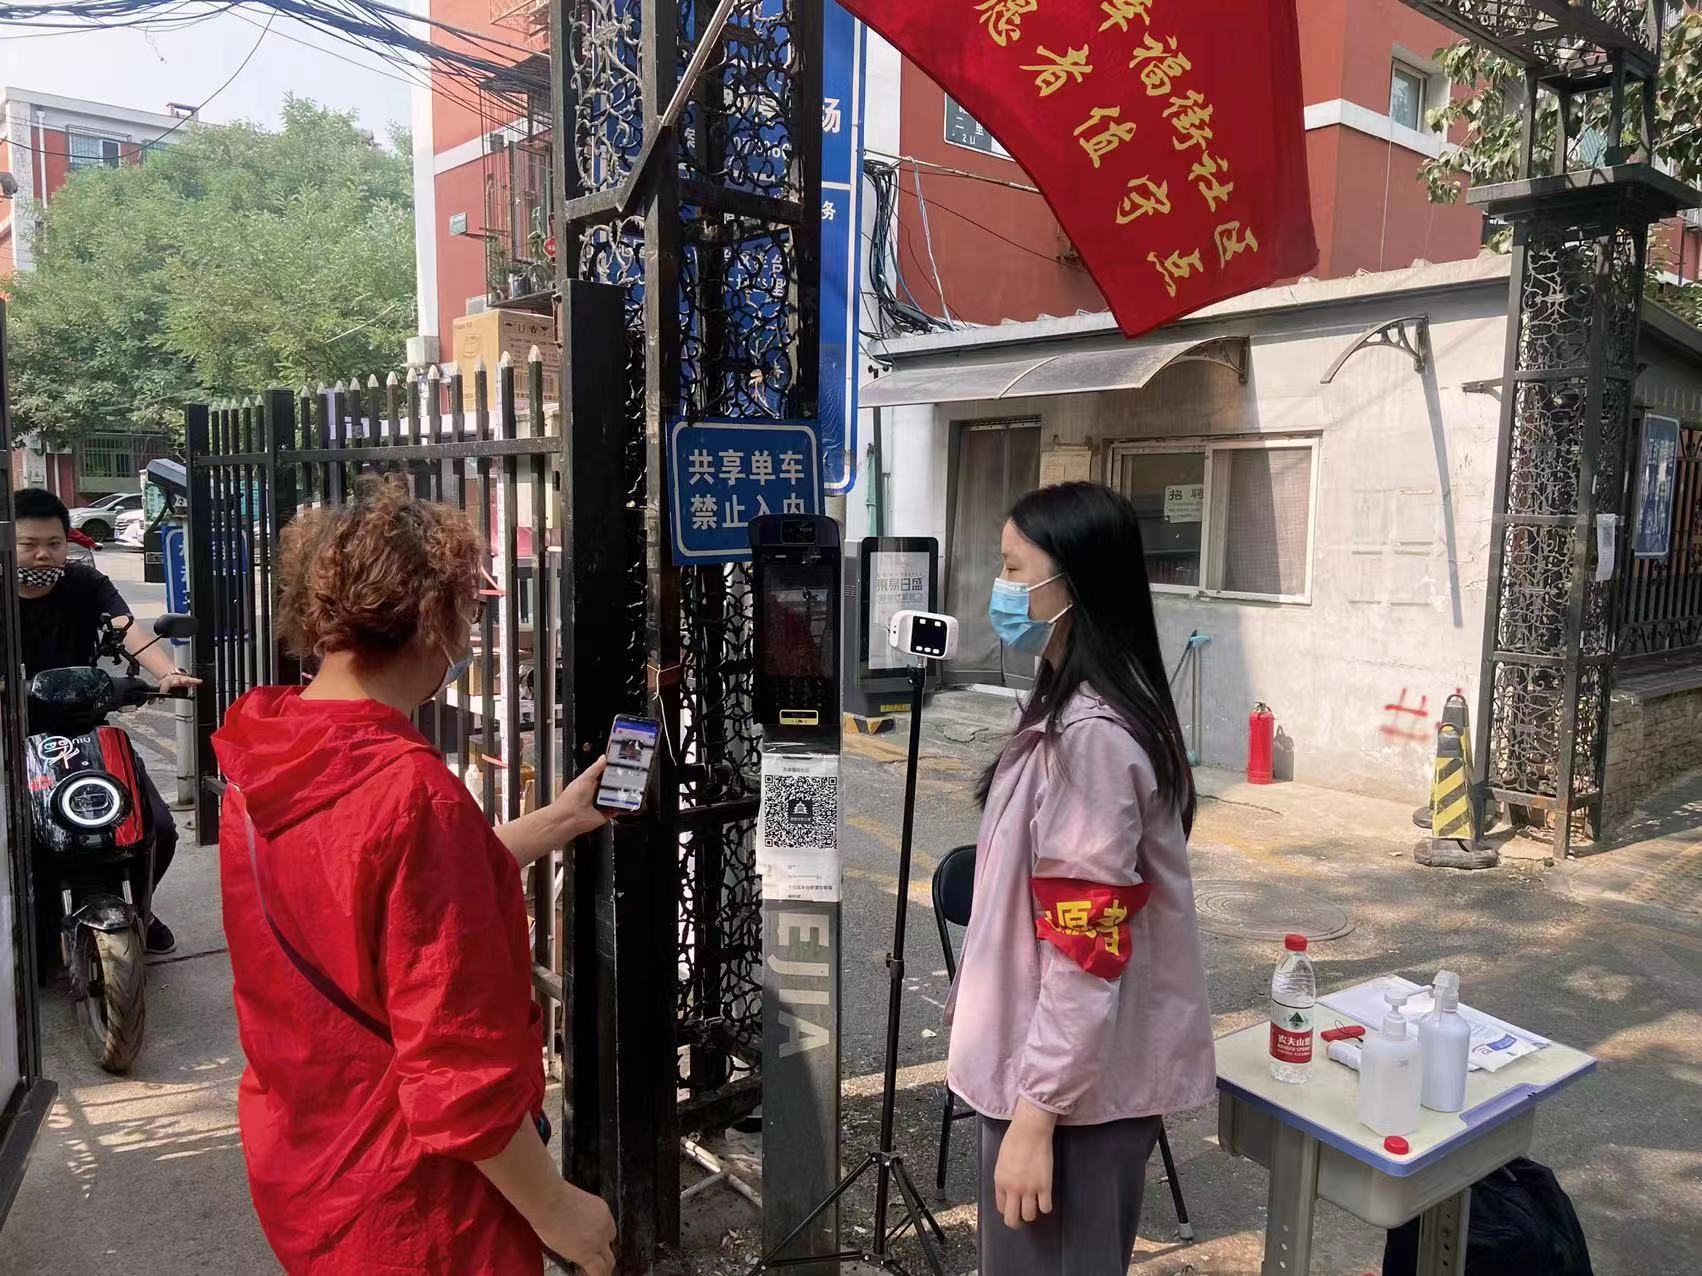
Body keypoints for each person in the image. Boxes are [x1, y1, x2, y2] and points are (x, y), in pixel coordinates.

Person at [212, 476, 616, 1275]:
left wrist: (560, 820)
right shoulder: (410, 794)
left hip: (308, 1156)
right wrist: (557, 1209)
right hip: (420, 1206)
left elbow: (371, 900)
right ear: (436, 617)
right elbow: (456, 1068)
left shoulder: (267, 753)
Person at [945, 481, 1215, 1275]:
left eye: (1013, 568)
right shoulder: (1064, 708)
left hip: (1067, 1104)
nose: (1000, 588)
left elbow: (1085, 944)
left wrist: (1037, 1116)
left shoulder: (1094, 739)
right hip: (1051, 1080)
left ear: (1074, 584)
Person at [15, 486, 197, 956]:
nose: (42, 554)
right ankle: (31, 921)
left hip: (86, 730)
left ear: (67, 541)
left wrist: (167, 672)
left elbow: (126, 628)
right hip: (16, 735)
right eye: (28, 544)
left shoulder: (85, 583)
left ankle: (141, 910)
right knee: (22, 839)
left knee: (157, 827)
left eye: (53, 543)